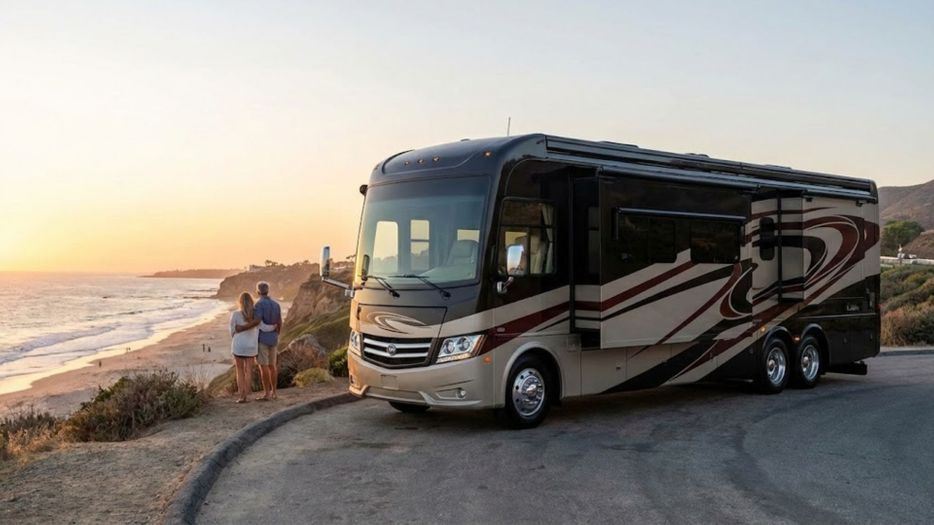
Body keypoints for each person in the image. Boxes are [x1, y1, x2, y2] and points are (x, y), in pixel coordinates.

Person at [252, 281, 283, 400]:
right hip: (273, 338)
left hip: (262, 339)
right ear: (268, 291)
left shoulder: (259, 305)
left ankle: (267, 393)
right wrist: (277, 333)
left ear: (258, 291)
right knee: (272, 366)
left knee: (263, 366)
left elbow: (258, 321)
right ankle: (274, 392)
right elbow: (280, 322)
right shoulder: (276, 304)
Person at [229, 292, 261, 403]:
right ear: (251, 302)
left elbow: (232, 331)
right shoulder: (255, 315)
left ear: (240, 302)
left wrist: (238, 333)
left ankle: (242, 396)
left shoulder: (235, 314)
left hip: (239, 345)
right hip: (251, 346)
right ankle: (247, 393)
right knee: (248, 370)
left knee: (240, 370)